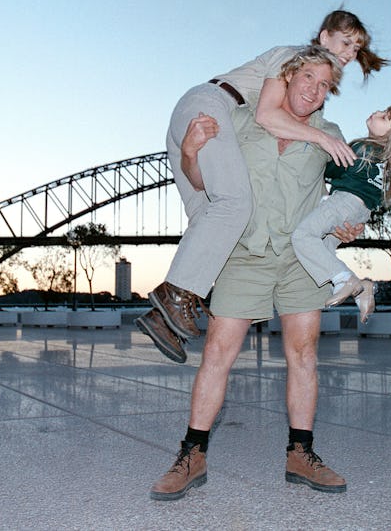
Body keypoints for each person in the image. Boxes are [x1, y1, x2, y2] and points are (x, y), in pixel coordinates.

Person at [150, 46, 360, 501]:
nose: (315, 90)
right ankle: (191, 455)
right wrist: (189, 153)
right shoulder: (241, 121)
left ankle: (301, 454)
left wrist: (350, 225)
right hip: (245, 254)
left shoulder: (332, 135)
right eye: (308, 78)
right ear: (286, 77)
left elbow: (352, 197)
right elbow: (204, 182)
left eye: (325, 85)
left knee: (303, 354)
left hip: (300, 258)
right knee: (218, 354)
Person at [135, 10, 390, 364]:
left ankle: (162, 319)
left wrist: (339, 220)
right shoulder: (294, 57)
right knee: (237, 205)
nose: (349, 53)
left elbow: (203, 183)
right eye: (345, 42)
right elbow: (267, 116)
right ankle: (175, 296)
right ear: (323, 36)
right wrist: (321, 138)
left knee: (211, 216)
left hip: (198, 125)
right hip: (212, 106)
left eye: (356, 48)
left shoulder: (307, 78)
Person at [292, 104, 391, 323]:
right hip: (360, 213)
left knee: (303, 236)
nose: (378, 112)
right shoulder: (388, 166)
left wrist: (320, 153)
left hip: (344, 201)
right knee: (324, 249)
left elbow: (333, 169)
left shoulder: (362, 148)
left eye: (385, 117)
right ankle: (361, 289)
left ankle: (344, 279)